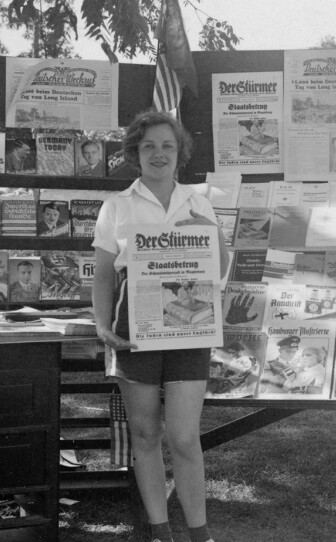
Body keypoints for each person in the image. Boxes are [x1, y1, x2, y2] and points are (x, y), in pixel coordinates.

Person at [92, 110, 229, 542]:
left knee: (185, 437)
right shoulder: (117, 205)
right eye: (149, 145)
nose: (158, 153)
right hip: (136, 324)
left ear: (179, 152)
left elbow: (220, 270)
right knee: (146, 433)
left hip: (192, 325)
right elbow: (102, 275)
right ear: (135, 152)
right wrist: (101, 326)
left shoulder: (198, 202)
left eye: (167, 146)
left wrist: (213, 233)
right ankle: (159, 529)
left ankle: (200, 533)